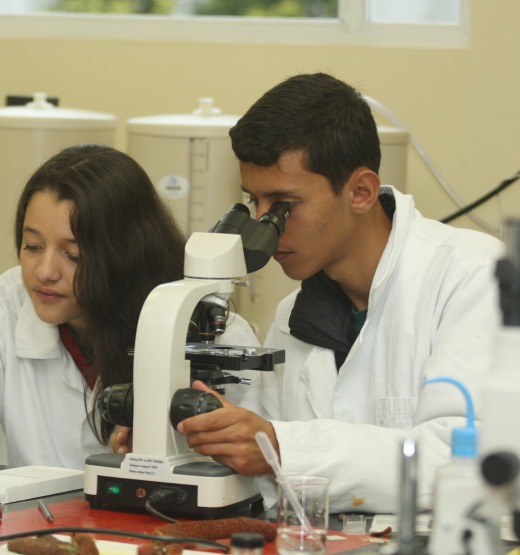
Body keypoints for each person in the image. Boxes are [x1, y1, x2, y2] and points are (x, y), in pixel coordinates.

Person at [173, 72, 504, 513]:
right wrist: (193, 440)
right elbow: (268, 473)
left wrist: (283, 447)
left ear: (361, 192)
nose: (266, 227)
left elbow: (467, 459)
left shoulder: (474, 276)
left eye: (285, 206)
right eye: (255, 203)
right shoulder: (293, 316)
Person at [0, 144, 260, 469]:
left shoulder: (212, 333)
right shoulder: (3, 305)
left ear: (124, 256)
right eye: (32, 246)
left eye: (74, 255)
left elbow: (259, 473)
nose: (44, 271)